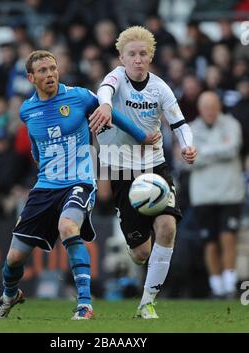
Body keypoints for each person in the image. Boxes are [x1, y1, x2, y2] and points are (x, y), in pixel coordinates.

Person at [0, 50, 157, 320]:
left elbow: (109, 110)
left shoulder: (79, 97)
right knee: (13, 259)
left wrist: (142, 136)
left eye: (53, 68)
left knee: (67, 227)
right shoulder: (27, 110)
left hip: (79, 181)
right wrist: (39, 159)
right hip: (45, 186)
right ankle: (10, 295)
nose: (50, 74)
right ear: (31, 78)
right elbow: (34, 143)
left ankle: (84, 305)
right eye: (42, 71)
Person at [89, 26, 197, 319]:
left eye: (143, 54)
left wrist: (188, 146)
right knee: (141, 254)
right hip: (122, 170)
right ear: (122, 57)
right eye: (132, 54)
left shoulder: (161, 89)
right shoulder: (115, 79)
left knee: (167, 226)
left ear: (151, 56)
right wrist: (106, 106)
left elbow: (179, 124)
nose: (138, 59)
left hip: (155, 165)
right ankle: (136, 247)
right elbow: (104, 91)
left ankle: (147, 302)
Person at [189, 91, 245, 299]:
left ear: (219, 106)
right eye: (206, 107)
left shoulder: (231, 124)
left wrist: (203, 152)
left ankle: (230, 285)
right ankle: (217, 287)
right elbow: (189, 159)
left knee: (228, 238)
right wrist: (215, 150)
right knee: (210, 243)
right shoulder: (191, 129)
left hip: (230, 192)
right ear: (200, 109)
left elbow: (232, 148)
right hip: (203, 195)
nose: (210, 111)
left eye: (213, 106)